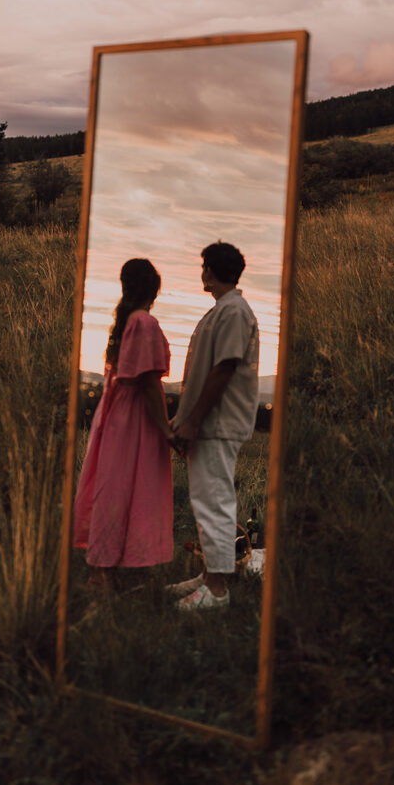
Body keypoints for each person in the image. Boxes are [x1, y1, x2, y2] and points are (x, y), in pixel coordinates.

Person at [73, 258, 176, 589]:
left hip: (115, 412)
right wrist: (166, 428)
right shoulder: (144, 322)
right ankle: (108, 571)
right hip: (134, 418)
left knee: (113, 487)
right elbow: (147, 383)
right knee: (133, 488)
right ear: (153, 289)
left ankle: (112, 568)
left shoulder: (125, 321)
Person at [170, 242, 259, 610]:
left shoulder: (235, 311)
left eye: (205, 265)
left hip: (219, 423)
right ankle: (209, 575)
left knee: (216, 501)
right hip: (205, 423)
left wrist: (191, 421)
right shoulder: (220, 310)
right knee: (205, 501)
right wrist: (181, 420)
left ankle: (218, 591)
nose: (202, 271)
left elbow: (224, 368)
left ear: (216, 269)